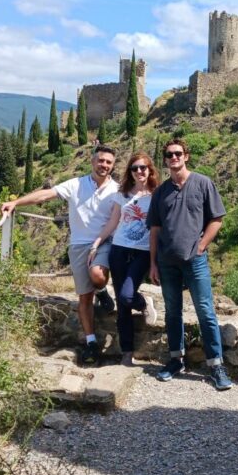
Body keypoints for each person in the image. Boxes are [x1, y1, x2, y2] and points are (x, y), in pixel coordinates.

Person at [1, 144, 118, 365]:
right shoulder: (76, 184)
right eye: (101, 160)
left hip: (103, 242)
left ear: (113, 166)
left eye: (108, 162)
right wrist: (16, 202)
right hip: (77, 246)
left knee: (98, 274)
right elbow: (45, 195)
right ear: (93, 162)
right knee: (84, 298)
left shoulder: (116, 190)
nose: (104, 165)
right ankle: (91, 342)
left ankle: (101, 288)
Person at [147, 138, 233, 391]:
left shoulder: (203, 183)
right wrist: (152, 263)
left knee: (205, 311)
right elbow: (154, 230)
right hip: (166, 262)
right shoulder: (161, 192)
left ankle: (216, 365)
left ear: (186, 156)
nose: (173, 158)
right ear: (165, 159)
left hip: (195, 261)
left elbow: (217, 218)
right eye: (168, 154)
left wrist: (202, 245)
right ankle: (175, 361)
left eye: (177, 154)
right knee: (172, 313)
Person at [88, 152, 159, 366]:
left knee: (128, 296)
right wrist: (97, 242)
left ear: (150, 170)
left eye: (143, 168)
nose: (139, 171)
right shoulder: (123, 194)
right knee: (122, 303)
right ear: (129, 171)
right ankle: (127, 352)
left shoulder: (157, 195)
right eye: (135, 168)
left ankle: (144, 302)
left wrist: (156, 260)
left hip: (142, 252)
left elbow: (158, 229)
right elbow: (113, 222)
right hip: (118, 250)